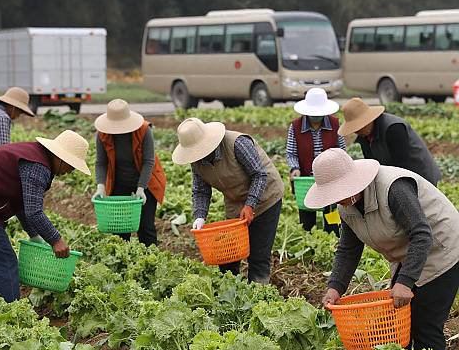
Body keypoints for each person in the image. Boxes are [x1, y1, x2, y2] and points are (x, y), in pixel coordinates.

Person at [306, 148, 459, 350]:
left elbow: (422, 233)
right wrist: (335, 287)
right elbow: (348, 249)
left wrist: (405, 282)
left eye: (338, 191)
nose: (336, 199)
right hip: (409, 253)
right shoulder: (346, 207)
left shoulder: (393, 188)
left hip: (442, 248)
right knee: (399, 320)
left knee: (425, 323)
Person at [0, 130, 91, 303]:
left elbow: (22, 203)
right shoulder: (38, 166)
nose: (71, 171)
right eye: (72, 165)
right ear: (62, 158)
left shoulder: (36, 156)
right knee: (6, 265)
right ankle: (9, 321)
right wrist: (56, 240)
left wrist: (34, 235)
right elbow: (34, 211)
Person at [172, 117, 284, 284]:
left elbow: (260, 175)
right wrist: (199, 216)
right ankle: (232, 294)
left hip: (266, 197)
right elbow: (201, 190)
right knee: (228, 255)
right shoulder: (197, 161)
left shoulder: (237, 143)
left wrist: (250, 204)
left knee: (258, 255)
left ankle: (260, 296)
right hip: (235, 202)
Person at [93, 99, 166, 246]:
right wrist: (100, 186)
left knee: (146, 227)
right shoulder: (102, 135)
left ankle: (150, 262)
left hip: (146, 182)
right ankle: (123, 262)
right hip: (119, 183)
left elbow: (148, 161)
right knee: (120, 228)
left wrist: (141, 188)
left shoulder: (144, 130)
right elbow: (101, 162)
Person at [339, 97, 441, 185]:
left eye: (359, 127)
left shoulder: (394, 128)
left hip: (419, 175)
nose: (357, 131)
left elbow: (401, 164)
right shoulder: (364, 136)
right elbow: (373, 165)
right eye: (355, 129)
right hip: (397, 176)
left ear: (368, 120)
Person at [286, 87, 346, 235]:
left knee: (332, 221)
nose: (316, 117)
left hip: (330, 180)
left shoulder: (335, 124)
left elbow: (341, 151)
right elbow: (291, 153)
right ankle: (310, 249)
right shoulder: (295, 126)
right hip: (306, 180)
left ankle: (333, 246)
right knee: (307, 223)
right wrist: (295, 168)